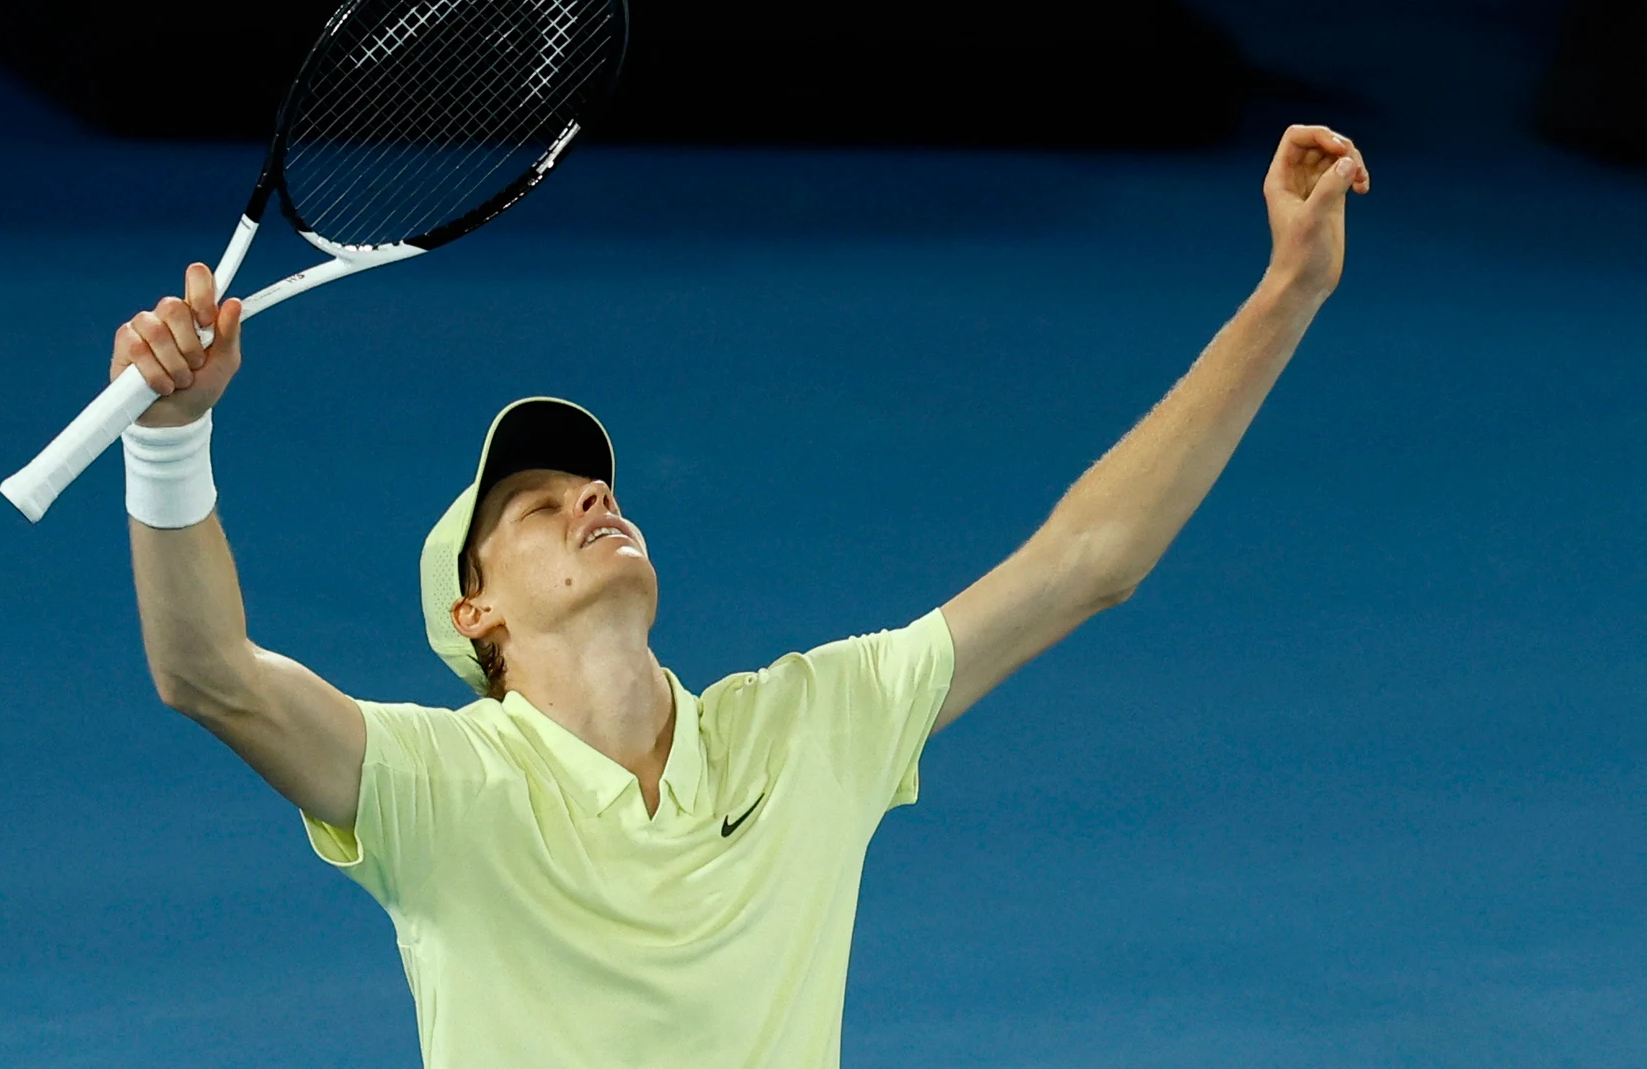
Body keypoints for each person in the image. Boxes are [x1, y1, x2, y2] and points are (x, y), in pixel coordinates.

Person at [110, 125, 1370, 1067]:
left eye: (594, 488)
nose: (589, 504)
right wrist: (168, 441)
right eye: (536, 508)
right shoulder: (436, 787)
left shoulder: (809, 725)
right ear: (472, 616)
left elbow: (1088, 558)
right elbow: (206, 671)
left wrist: (1285, 294)